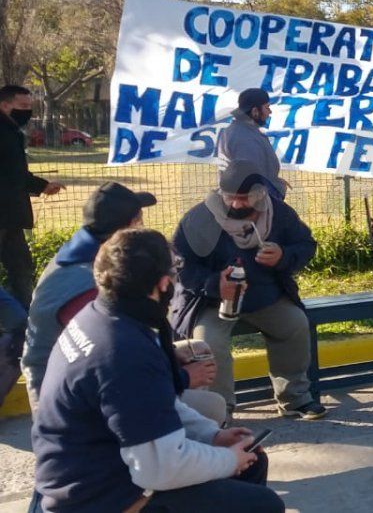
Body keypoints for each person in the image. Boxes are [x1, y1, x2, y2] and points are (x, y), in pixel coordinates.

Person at [30, 228, 284, 513]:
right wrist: (228, 460)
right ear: (163, 284)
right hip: (94, 499)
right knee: (263, 504)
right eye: (175, 272)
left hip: (85, 477)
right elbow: (161, 468)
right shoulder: (125, 351)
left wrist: (211, 436)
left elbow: (158, 405)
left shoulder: (102, 315)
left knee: (250, 462)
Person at [20, 183, 224, 421]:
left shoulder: (84, 253)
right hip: (72, 398)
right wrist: (182, 378)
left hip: (91, 371)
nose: (142, 226)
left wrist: (168, 356)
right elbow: (115, 361)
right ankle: (181, 435)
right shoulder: (87, 285)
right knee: (212, 407)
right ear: (126, 229)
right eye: (139, 221)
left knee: (197, 351)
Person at [172, 160, 323, 420]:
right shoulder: (198, 219)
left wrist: (283, 256)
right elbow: (181, 267)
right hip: (212, 303)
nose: (236, 204)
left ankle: (295, 398)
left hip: (266, 297)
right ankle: (220, 410)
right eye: (230, 197)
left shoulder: (278, 213)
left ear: (260, 194)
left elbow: (306, 245)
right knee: (208, 342)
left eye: (244, 198)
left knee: (295, 323)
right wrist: (214, 284)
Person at [0, 85, 65, 317]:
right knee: (20, 269)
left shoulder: (11, 132)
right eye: (23, 106)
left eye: (30, 106)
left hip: (11, 218)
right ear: (4, 105)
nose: (27, 111)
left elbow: (15, 172)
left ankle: (23, 318)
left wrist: (42, 186)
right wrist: (40, 186)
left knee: (21, 267)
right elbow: (13, 174)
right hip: (5, 215)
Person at [216, 88, 286, 200]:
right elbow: (252, 181)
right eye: (267, 107)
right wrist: (277, 188)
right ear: (255, 111)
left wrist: (274, 181)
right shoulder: (245, 138)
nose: (269, 112)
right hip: (253, 204)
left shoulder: (241, 131)